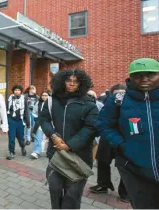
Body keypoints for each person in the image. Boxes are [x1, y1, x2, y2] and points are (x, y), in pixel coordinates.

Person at [97, 58, 159, 209]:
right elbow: (104, 125)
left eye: (150, 74)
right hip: (134, 170)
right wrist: (122, 145)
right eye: (138, 75)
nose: (144, 79)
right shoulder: (118, 100)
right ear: (129, 78)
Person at [40, 69, 98, 209]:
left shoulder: (89, 104)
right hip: (56, 155)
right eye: (68, 80)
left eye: (75, 81)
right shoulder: (52, 101)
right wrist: (53, 136)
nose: (71, 84)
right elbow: (44, 120)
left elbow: (91, 128)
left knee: (72, 197)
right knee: (55, 191)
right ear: (62, 81)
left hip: (79, 158)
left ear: (81, 83)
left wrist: (70, 145)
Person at [90, 84, 129, 203]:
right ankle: (103, 185)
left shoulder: (131, 106)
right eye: (116, 93)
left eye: (122, 93)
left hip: (124, 139)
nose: (118, 97)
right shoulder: (105, 105)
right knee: (102, 161)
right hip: (107, 137)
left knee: (125, 166)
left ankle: (125, 193)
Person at [6, 85, 30, 160]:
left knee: (21, 138)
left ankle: (23, 147)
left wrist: (28, 123)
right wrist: (4, 122)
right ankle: (11, 152)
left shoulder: (24, 99)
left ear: (21, 91)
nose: (17, 91)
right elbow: (5, 110)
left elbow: (26, 111)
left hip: (20, 121)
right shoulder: (9, 99)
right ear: (13, 91)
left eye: (18, 90)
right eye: (15, 90)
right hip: (11, 120)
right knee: (11, 138)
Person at [30, 90, 50, 159]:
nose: (44, 97)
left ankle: (49, 152)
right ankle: (36, 151)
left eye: (46, 95)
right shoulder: (38, 103)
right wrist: (36, 118)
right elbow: (34, 112)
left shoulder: (52, 104)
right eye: (43, 95)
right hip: (39, 123)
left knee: (48, 138)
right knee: (38, 137)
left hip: (48, 123)